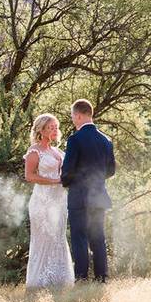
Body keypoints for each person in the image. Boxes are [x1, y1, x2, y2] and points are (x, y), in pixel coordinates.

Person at [60, 99, 115, 282]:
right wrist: (96, 180)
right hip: (98, 196)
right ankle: (102, 278)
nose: (73, 120)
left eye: (73, 116)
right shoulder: (106, 140)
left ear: (78, 115)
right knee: (98, 237)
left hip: (79, 197)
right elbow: (111, 170)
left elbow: (67, 171)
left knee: (79, 238)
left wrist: (66, 181)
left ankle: (82, 278)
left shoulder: (75, 139)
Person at [24, 113, 75, 288]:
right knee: (43, 239)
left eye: (56, 127)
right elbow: (29, 176)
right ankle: (39, 282)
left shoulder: (58, 152)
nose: (55, 130)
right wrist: (55, 181)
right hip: (42, 201)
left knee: (58, 237)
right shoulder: (34, 151)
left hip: (59, 201)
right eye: (50, 127)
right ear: (41, 130)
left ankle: (60, 280)